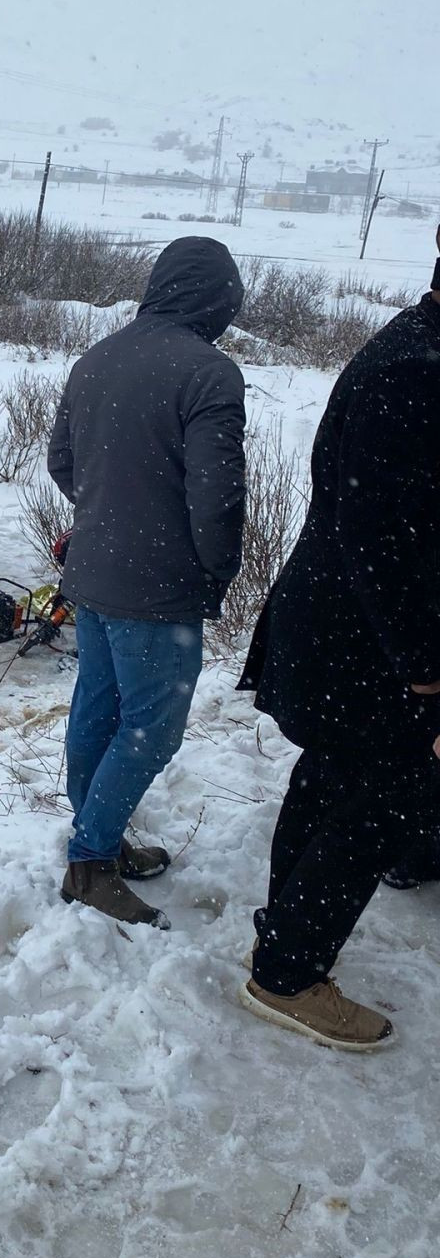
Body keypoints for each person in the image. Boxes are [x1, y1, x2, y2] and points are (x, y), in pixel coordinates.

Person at [238, 243, 440, 1050]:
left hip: (352, 635)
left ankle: (281, 943)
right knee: (372, 804)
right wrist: (427, 674)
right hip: (367, 645)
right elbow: (385, 542)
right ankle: (287, 972)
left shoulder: (416, 347)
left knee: (330, 784)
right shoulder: (416, 373)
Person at [48, 235, 246, 929]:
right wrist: (216, 567)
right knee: (151, 729)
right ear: (220, 299)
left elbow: (61, 461)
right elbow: (216, 501)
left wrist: (109, 513)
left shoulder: (98, 357)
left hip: (96, 576)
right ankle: (92, 860)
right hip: (158, 589)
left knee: (97, 712)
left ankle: (95, 835)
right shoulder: (208, 373)